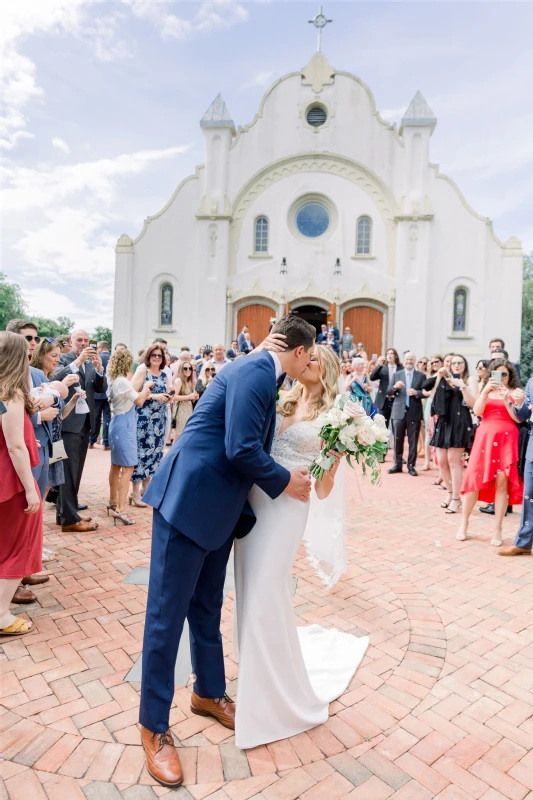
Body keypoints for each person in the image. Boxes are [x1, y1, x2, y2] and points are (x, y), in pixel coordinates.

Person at [138, 315, 315, 788]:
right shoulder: (257, 372)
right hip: (189, 501)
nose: (311, 365)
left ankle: (208, 693)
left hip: (218, 508)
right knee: (165, 616)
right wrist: (285, 480)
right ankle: (153, 726)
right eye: (310, 356)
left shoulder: (260, 370)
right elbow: (240, 448)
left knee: (206, 605)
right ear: (298, 352)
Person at [234, 345, 368, 748]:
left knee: (265, 590)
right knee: (246, 587)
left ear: (325, 369)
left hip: (288, 509)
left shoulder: (334, 418)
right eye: (303, 357)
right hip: (253, 500)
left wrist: (337, 453)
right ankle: (257, 671)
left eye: (313, 360)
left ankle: (270, 696)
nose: (304, 362)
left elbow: (324, 490)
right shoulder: (281, 397)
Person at [0, 332, 43, 635]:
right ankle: (2, 615)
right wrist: (30, 488)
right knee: (18, 547)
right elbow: (15, 446)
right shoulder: (10, 392)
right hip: (12, 481)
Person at [457, 360, 525, 546]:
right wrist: (485, 391)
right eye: (498, 374)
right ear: (490, 375)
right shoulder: (485, 390)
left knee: (502, 482)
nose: (501, 378)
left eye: (505, 374)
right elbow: (478, 411)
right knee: (474, 479)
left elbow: (517, 419)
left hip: (506, 440)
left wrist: (507, 401)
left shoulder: (513, 393)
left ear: (510, 376)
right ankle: (464, 522)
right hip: (485, 439)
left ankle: (498, 527)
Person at [51, 330, 106, 532]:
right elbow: (54, 379)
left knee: (76, 471)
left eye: (86, 341)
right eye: (79, 340)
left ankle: (64, 513)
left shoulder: (91, 363)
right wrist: (77, 362)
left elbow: (100, 389)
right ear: (72, 342)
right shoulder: (63, 359)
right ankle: (70, 519)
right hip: (66, 424)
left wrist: (100, 370)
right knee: (66, 472)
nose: (84, 344)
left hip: (85, 424)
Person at [107, 348, 153, 525]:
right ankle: (121, 509)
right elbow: (139, 401)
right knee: (128, 468)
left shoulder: (114, 381)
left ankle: (113, 501)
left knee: (116, 466)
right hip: (124, 426)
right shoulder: (123, 382)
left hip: (116, 423)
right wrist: (147, 387)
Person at [430, 355, 477, 513]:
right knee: (441, 461)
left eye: (460, 363)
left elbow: (474, 403)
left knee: (453, 460)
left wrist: (462, 386)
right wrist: (439, 377)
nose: (457, 365)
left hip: (460, 421)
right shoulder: (445, 378)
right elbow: (433, 397)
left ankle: (457, 499)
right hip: (444, 421)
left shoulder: (470, 379)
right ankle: (450, 493)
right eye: (454, 363)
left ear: (465, 364)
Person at [129, 344, 171, 507]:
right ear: (148, 356)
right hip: (143, 420)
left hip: (158, 421)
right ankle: (134, 492)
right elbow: (132, 393)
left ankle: (146, 490)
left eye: (159, 356)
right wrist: (154, 396)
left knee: (154, 454)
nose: (156, 358)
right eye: (153, 355)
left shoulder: (164, 375)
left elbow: (165, 393)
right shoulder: (142, 371)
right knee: (141, 454)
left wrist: (167, 396)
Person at [499, 372, 533, 556]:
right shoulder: (532, 382)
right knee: (529, 495)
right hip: (532, 449)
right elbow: (522, 416)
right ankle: (524, 543)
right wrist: (517, 403)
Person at [388, 352, 425, 476]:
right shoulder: (397, 374)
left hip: (414, 412)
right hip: (398, 411)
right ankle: (397, 464)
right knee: (397, 439)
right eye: (407, 359)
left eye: (411, 359)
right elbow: (388, 392)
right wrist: (394, 387)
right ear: (404, 361)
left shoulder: (421, 376)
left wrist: (417, 393)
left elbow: (425, 392)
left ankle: (411, 466)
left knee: (413, 441)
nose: (409, 361)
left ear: (414, 361)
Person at [370, 348, 401, 429]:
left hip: (397, 399)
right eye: (388, 354)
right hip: (384, 400)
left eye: (391, 353)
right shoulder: (383, 367)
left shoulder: (401, 368)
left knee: (397, 426)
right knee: (382, 426)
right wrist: (379, 365)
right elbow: (372, 377)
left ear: (396, 356)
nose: (389, 355)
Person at [89, 340, 111, 451]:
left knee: (96, 417)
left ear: (100, 348)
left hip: (97, 392)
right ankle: (106, 442)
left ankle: (91, 441)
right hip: (108, 392)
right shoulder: (112, 358)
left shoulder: (96, 357)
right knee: (107, 418)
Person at [171, 361, 198, 440]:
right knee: (179, 435)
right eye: (185, 368)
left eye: (190, 368)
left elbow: (190, 398)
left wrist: (194, 397)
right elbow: (173, 397)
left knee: (186, 434)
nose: (188, 370)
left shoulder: (189, 382)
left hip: (189, 410)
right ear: (181, 370)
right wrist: (189, 396)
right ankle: (174, 452)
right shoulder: (178, 381)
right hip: (180, 410)